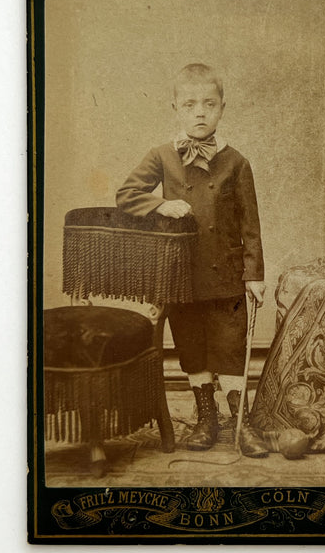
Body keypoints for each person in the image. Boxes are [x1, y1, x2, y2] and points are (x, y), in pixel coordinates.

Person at [116, 63, 268, 458]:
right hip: (180, 276)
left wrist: (254, 275)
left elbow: (250, 224)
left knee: (231, 347)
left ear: (221, 109)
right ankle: (206, 419)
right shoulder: (162, 156)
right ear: (176, 109)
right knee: (192, 348)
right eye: (190, 104)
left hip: (227, 275)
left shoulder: (237, 162)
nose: (199, 112)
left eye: (209, 104)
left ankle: (240, 423)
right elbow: (127, 195)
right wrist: (162, 204)